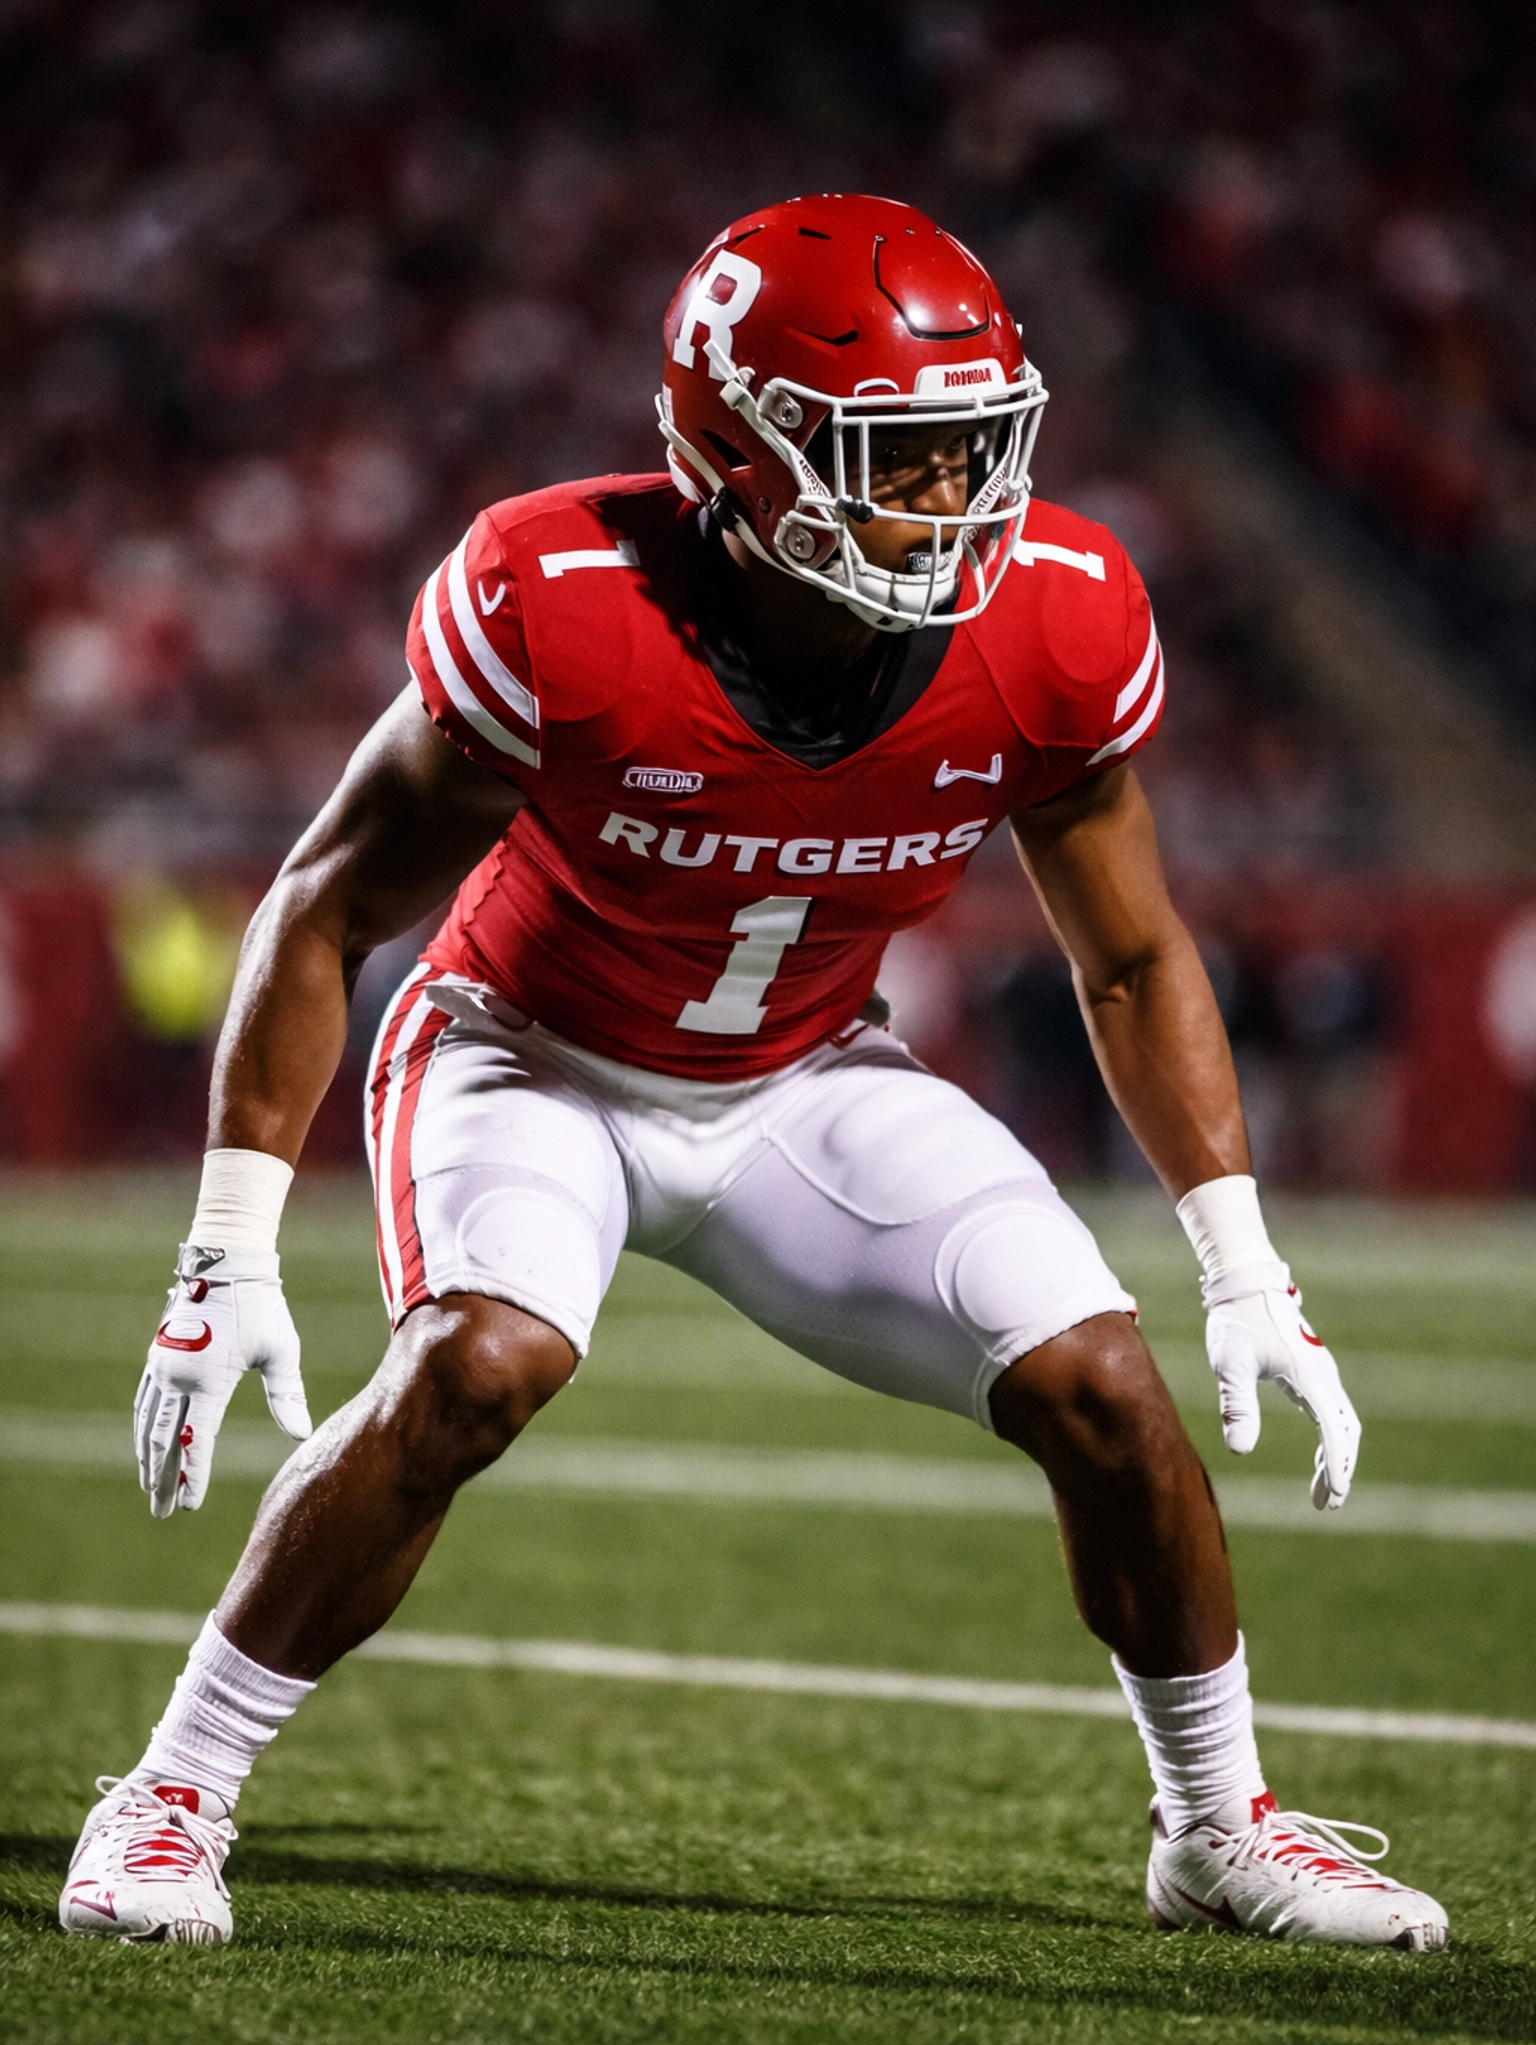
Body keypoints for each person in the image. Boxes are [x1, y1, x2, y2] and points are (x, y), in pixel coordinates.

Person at [61, 194, 1446, 1952]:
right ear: (740, 455)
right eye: (898, 455)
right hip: (528, 1054)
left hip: (802, 1076)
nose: (959, 496)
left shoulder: (1058, 615)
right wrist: (224, 1248)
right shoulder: (562, 601)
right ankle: (172, 1789)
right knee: (478, 1365)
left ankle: (1220, 1830)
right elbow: (325, 907)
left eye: (973, 444)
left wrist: (1240, 1258)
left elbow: (1133, 953)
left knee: (1106, 1386)